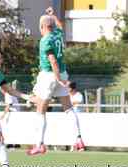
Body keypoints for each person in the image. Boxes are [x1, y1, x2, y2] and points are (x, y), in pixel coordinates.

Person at [26, 7, 85, 156]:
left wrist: (57, 78)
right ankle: (78, 139)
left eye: (40, 27)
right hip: (63, 73)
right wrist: (54, 15)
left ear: (43, 27)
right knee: (68, 108)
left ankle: (39, 144)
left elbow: (52, 61)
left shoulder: (45, 40)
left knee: (40, 109)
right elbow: (60, 26)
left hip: (50, 76)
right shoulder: (58, 34)